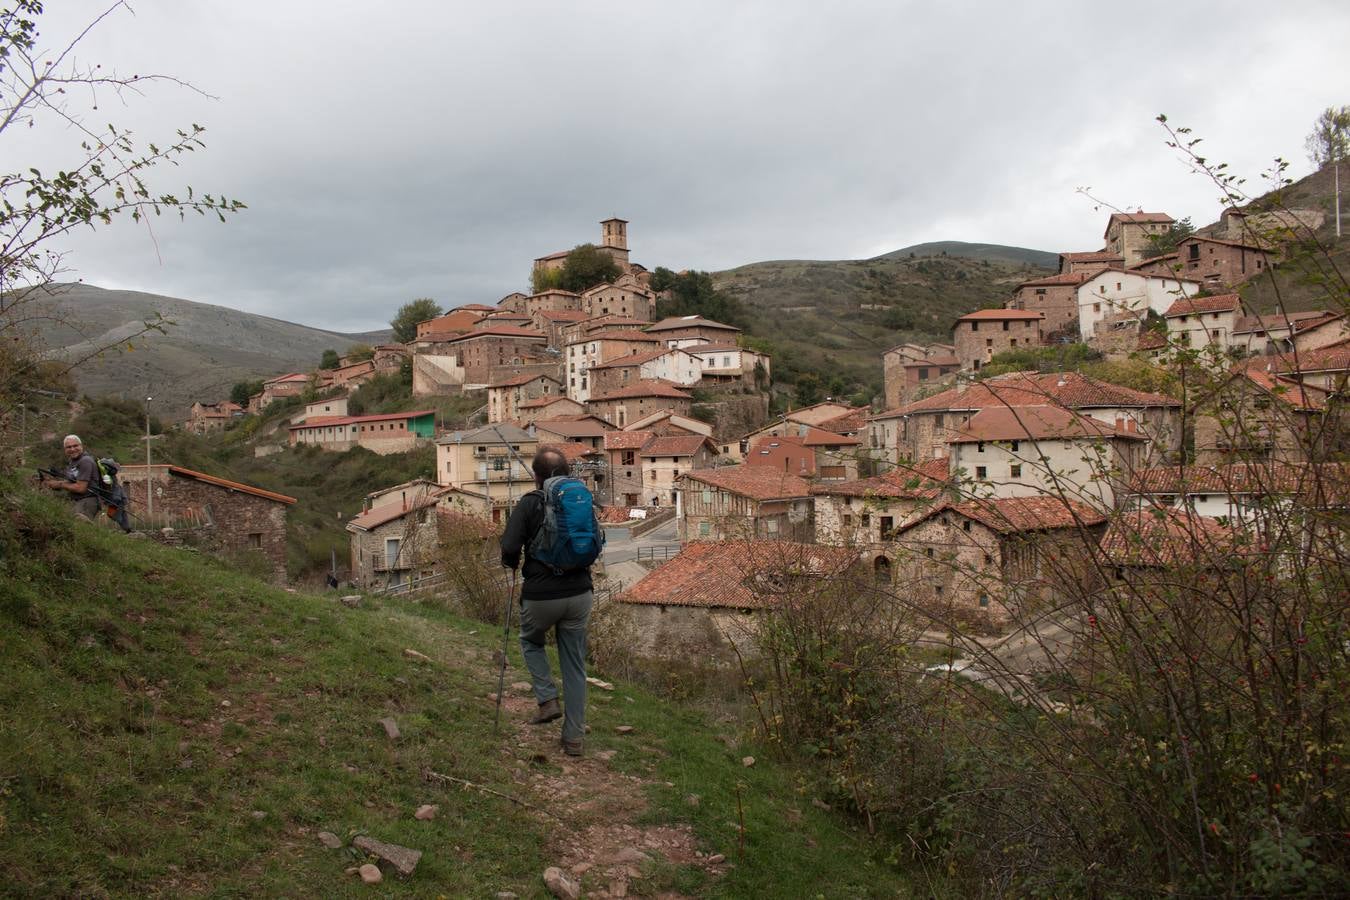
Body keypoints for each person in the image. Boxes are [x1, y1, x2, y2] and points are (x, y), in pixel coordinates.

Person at [500, 447, 594, 757]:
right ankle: (575, 740)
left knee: (530, 640)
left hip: (541, 594)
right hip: (581, 592)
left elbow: (510, 546)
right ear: (567, 473)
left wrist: (512, 562)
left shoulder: (530, 503)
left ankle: (547, 699)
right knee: (575, 665)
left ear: (537, 477)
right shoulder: (581, 499)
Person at [41, 434, 101, 520]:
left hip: (87, 501)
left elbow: (81, 488)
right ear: (65, 450)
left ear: (81, 446)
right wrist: (52, 483)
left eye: (75, 446)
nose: (72, 449)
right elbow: (72, 481)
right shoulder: (73, 462)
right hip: (78, 500)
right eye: (68, 447)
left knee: (79, 526)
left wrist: (60, 484)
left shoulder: (85, 461)